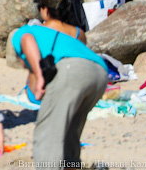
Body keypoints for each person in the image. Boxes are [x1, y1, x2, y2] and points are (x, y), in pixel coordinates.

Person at [12, 23, 108, 169]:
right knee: (70, 131)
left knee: (47, 134)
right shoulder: (56, 40)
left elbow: (26, 39)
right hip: (100, 74)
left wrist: (38, 75)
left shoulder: (23, 32)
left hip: (73, 69)